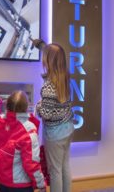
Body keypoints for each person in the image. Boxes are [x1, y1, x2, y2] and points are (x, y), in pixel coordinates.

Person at [35, 41, 75, 192]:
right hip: (68, 127)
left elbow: (46, 114)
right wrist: (41, 45)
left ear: (48, 61)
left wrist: (38, 105)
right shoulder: (65, 78)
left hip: (55, 134)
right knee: (64, 166)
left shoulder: (48, 86)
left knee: (55, 171)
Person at [0, 91, 46, 192]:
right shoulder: (29, 129)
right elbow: (32, 163)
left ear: (7, 105)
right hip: (21, 185)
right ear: (26, 107)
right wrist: (41, 184)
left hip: (2, 180)